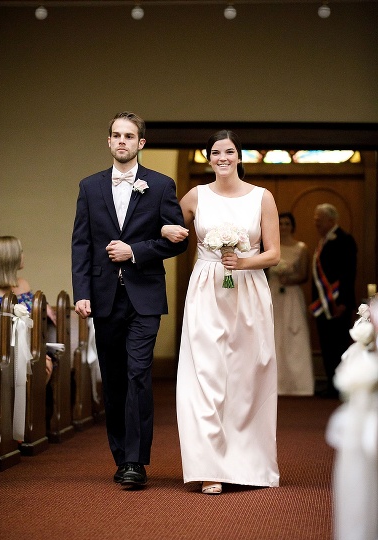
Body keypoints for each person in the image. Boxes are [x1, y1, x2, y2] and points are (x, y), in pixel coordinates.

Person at [71, 111, 187, 488]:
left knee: (139, 375)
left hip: (145, 297)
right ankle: (121, 456)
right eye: (116, 135)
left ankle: (136, 462)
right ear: (109, 142)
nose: (122, 141)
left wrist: (134, 251)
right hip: (104, 298)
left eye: (130, 136)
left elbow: (175, 243)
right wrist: (82, 293)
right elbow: (81, 245)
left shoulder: (161, 185)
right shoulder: (89, 187)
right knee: (115, 380)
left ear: (141, 143)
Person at [162, 129, 281, 495]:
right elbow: (167, 229)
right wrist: (167, 228)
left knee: (247, 377)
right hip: (206, 288)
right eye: (216, 152)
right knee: (206, 375)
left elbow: (274, 253)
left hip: (248, 289)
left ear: (239, 157)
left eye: (230, 151)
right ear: (209, 158)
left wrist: (243, 260)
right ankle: (210, 466)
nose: (223, 158)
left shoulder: (262, 197)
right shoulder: (196, 196)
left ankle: (249, 464)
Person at [310, 203, 357, 399]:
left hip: (338, 304)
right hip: (324, 305)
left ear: (331, 220)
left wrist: (343, 302)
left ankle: (339, 386)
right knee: (327, 346)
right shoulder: (323, 241)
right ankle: (331, 383)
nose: (316, 222)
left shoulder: (345, 240)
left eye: (319, 218)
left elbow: (348, 273)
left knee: (339, 346)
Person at [0, 235, 57, 378]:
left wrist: (44, 305)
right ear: (11, 257)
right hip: (4, 352)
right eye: (20, 251)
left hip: (31, 346)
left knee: (45, 366)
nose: (23, 255)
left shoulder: (23, 284)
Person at [268, 212, 315, 395]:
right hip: (273, 293)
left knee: (293, 334)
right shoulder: (271, 247)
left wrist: (289, 277)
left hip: (292, 295)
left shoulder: (301, 248)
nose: (284, 226)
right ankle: (274, 384)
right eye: (280, 223)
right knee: (274, 332)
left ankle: (298, 384)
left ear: (292, 226)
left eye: (287, 223)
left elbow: (304, 274)